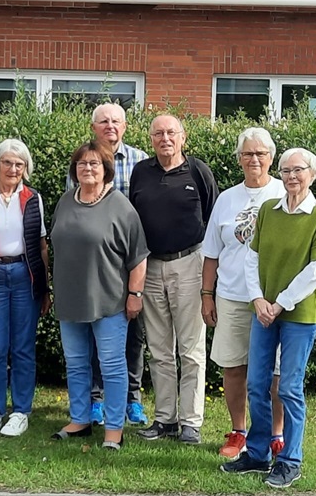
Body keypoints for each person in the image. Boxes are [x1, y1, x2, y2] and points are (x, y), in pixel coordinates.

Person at [222, 148, 316, 488]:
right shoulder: (269, 210)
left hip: (298, 315)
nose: (290, 177)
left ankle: (290, 460)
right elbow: (251, 257)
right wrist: (258, 298)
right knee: (256, 384)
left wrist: (280, 303)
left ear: (311, 174)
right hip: (264, 312)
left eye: (297, 170)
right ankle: (257, 454)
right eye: (285, 170)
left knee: (288, 388)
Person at [51, 140, 149, 451]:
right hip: (70, 298)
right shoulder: (66, 201)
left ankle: (114, 429)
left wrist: (135, 294)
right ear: (74, 170)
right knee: (77, 363)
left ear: (106, 169)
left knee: (111, 365)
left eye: (94, 164)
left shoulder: (120, 205)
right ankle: (80, 420)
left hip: (109, 299)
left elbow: (139, 256)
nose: (87, 168)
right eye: (82, 164)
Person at [129, 114, 218, 445]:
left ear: (183, 137)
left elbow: (213, 219)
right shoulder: (141, 172)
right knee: (159, 348)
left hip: (189, 263)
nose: (164, 138)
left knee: (191, 348)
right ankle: (165, 418)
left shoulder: (198, 171)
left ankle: (191, 422)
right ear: (151, 139)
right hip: (150, 266)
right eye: (158, 133)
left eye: (171, 133)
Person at [201, 128, 285, 459]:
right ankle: (239, 431)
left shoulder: (283, 192)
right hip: (232, 295)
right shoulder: (227, 199)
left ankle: (276, 434)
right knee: (234, 366)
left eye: (260, 154)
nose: (254, 159)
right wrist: (207, 294)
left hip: (273, 299)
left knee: (276, 370)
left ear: (271, 158)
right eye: (247, 154)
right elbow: (211, 252)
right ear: (238, 159)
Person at [67, 102, 149, 427]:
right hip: (96, 264)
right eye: (103, 122)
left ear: (125, 127)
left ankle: (133, 399)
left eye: (116, 121)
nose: (110, 126)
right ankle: (97, 399)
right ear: (94, 127)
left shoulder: (140, 161)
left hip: (132, 257)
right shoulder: (83, 163)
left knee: (132, 334)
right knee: (95, 335)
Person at [0, 139, 50, 438]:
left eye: (19, 164)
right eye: (7, 162)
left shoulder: (32, 198)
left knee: (23, 348)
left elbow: (41, 245)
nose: (13, 169)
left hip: (24, 276)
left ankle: (20, 411)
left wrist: (45, 288)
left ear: (25, 169)